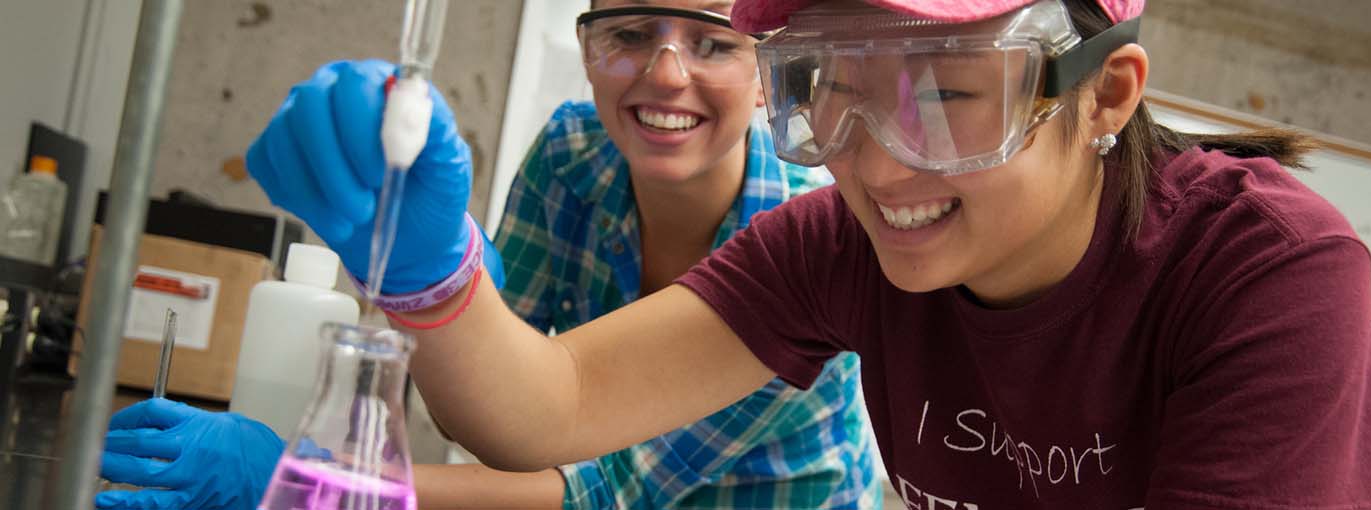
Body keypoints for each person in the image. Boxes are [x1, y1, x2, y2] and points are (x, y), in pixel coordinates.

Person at [166, 0, 1371, 508]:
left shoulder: (1267, 274)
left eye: (943, 98)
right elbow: (554, 408)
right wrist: (429, 274)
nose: (871, 162)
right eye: (826, 95)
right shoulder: (852, 244)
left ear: (1105, 92)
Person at [95, 2, 879, 509]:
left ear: (770, 71)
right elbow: (497, 420)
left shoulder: (804, 235)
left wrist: (308, 489)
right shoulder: (575, 153)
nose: (666, 74)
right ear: (586, 45)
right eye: (631, 35)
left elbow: (598, 490)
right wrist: (445, 286)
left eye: (712, 42)